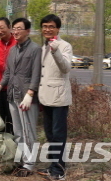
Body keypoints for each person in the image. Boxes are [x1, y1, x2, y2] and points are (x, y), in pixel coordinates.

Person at [0, 17, 41, 179]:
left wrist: (30, 94)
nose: (15, 32)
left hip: (26, 96)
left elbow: (36, 74)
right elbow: (8, 73)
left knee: (28, 131)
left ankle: (30, 164)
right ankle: (21, 161)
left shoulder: (35, 49)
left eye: (19, 29)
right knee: (18, 131)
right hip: (12, 94)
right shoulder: (13, 50)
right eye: (14, 29)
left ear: (27, 31)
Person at [36, 14, 72, 181]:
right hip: (46, 97)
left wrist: (56, 50)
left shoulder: (64, 46)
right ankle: (53, 166)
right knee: (50, 133)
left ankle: (59, 170)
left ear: (58, 29)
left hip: (59, 97)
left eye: (51, 27)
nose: (47, 29)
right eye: (44, 26)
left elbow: (65, 68)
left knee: (58, 134)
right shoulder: (42, 47)